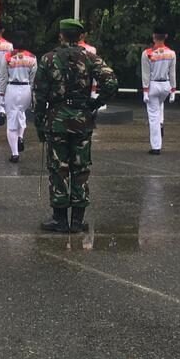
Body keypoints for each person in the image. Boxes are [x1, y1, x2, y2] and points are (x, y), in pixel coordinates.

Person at [33, 19, 118, 233]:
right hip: (82, 120)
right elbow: (111, 82)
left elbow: (40, 94)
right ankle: (78, 221)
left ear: (61, 35)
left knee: (58, 168)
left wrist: (39, 122)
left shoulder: (48, 59)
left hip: (57, 120)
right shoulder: (90, 58)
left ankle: (60, 219)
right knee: (80, 168)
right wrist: (95, 103)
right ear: (80, 37)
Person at [0, 31, 37, 163]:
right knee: (21, 113)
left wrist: (1, 93)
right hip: (26, 88)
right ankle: (20, 136)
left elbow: (3, 77)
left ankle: (14, 153)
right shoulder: (32, 57)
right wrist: (31, 93)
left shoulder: (7, 57)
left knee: (11, 121)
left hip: (12, 89)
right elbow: (33, 79)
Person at [140, 25, 177, 154]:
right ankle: (161, 121)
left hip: (153, 85)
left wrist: (145, 91)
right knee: (160, 105)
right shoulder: (171, 53)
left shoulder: (147, 53)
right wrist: (173, 90)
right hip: (166, 85)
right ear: (165, 36)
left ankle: (156, 146)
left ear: (153, 36)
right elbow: (172, 73)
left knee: (153, 116)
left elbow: (145, 74)